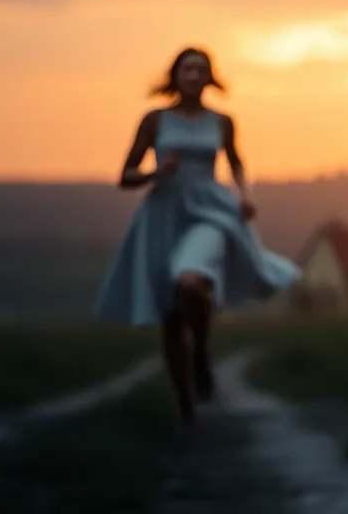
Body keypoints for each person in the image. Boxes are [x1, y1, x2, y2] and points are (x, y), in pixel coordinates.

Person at [96, 46, 298, 429]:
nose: (193, 76)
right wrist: (157, 173)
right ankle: (186, 406)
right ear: (175, 77)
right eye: (186, 69)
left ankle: (202, 349)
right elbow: (126, 175)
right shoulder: (155, 120)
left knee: (190, 281)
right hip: (164, 217)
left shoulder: (222, 122)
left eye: (200, 70)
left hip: (211, 213)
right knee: (172, 317)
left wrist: (246, 195)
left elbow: (235, 161)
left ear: (209, 77)